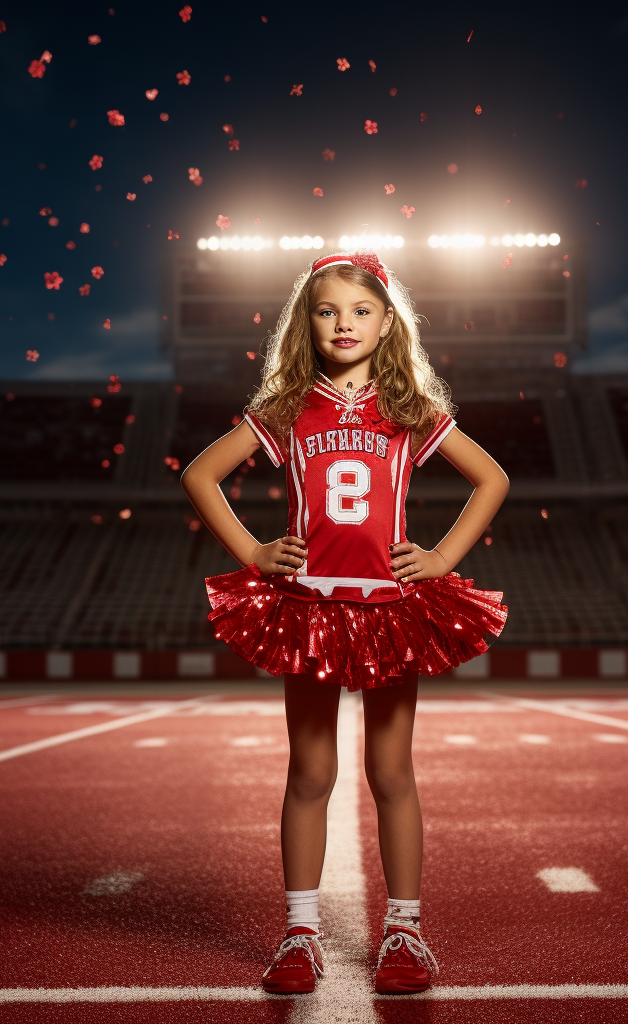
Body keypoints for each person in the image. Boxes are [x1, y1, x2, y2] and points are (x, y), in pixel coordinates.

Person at [182, 250, 509, 995]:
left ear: (389, 322)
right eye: (327, 310)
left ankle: (405, 933)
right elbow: (199, 473)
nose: (344, 324)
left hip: (391, 607)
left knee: (391, 772)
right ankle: (299, 934)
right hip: (311, 605)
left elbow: (493, 477)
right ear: (308, 321)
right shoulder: (287, 407)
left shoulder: (412, 409)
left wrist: (443, 556)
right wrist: (256, 551)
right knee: (311, 771)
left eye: (361, 311)